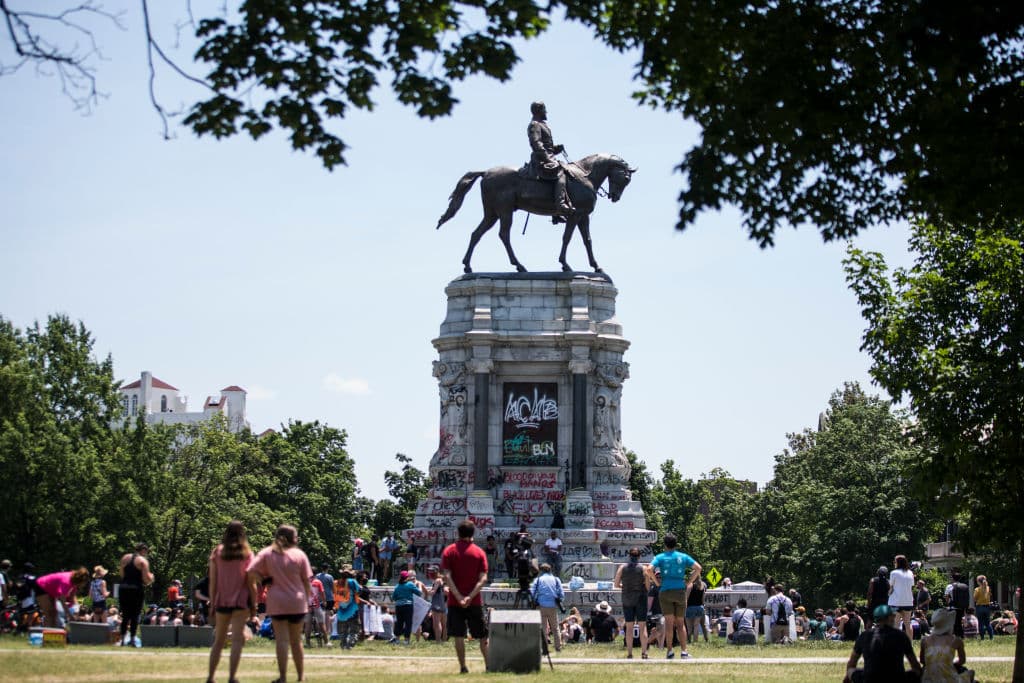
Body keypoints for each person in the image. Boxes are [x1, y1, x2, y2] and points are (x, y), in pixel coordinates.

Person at [249, 524, 312, 683]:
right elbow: (306, 581)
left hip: (277, 602)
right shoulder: (299, 555)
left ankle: (283, 677)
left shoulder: (267, 553)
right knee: (296, 640)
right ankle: (300, 676)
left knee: (282, 640)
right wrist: (307, 599)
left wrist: (264, 580)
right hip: (297, 602)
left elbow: (251, 571)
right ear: (293, 539)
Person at [206, 520, 259, 683]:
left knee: (218, 641)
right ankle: (231, 677)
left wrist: (212, 603)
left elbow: (213, 581)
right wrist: (254, 605)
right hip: (240, 603)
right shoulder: (247, 553)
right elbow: (251, 583)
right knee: (237, 640)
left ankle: (211, 677)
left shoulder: (217, 552)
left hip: (222, 601)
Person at [441, 519, 489, 675]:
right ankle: (488, 665)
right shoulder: (479, 552)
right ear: (473, 533)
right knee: (483, 635)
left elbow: (447, 576)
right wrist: (469, 596)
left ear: (458, 533)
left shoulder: (449, 551)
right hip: (474, 601)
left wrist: (459, 596)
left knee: (459, 636)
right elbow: (483, 579)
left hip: (455, 602)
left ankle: (463, 667)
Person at [650, 532, 701, 659]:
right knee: (680, 624)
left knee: (668, 623)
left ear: (665, 544)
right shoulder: (683, 557)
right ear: (675, 544)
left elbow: (648, 569)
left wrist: (657, 582)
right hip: (679, 591)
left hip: (665, 591)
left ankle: (670, 651)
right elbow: (698, 568)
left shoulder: (660, 557)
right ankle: (684, 651)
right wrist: (689, 582)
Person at [844, 604, 922, 683]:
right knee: (917, 671)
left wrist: (847, 678)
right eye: (893, 615)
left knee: (851, 670)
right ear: (889, 617)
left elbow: (852, 662)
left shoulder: (864, 636)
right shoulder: (900, 636)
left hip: (869, 679)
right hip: (897, 679)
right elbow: (914, 663)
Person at [527, 101, 573, 221]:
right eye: (544, 109)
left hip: (547, 157)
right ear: (539, 110)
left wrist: (556, 149)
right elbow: (536, 143)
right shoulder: (535, 124)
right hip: (541, 160)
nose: (546, 112)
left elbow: (548, 147)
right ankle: (560, 206)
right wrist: (547, 158)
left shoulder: (542, 124)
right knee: (561, 173)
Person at [614, 547, 649, 659]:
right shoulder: (644, 568)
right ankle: (644, 653)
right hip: (641, 599)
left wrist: (624, 587)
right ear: (639, 556)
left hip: (627, 599)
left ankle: (629, 653)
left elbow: (616, 584)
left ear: (629, 556)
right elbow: (648, 586)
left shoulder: (622, 568)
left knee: (629, 627)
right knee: (642, 627)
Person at [920, 607, 971, 683]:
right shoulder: (956, 641)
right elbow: (962, 661)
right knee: (971, 672)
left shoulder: (925, 640)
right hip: (950, 679)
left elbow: (922, 661)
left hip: (928, 679)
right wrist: (947, 664)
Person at [119, 542, 154, 646]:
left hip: (123, 587)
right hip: (136, 588)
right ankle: (133, 639)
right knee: (135, 614)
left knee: (125, 615)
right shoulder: (143, 561)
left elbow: (122, 574)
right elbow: (146, 579)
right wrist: (151, 578)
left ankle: (122, 640)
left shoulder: (125, 558)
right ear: (143, 550)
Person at [530, 562, 565, 653]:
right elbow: (561, 594)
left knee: (543, 628)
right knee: (555, 628)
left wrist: (535, 601)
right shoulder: (556, 579)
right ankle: (558, 647)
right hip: (552, 606)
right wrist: (559, 600)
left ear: (541, 571)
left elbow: (532, 592)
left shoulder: (538, 580)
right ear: (550, 570)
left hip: (541, 606)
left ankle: (544, 648)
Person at [333, 567, 363, 649]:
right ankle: (350, 644)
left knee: (343, 631)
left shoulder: (336, 582)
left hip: (341, 611)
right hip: (353, 610)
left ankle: (343, 645)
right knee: (354, 630)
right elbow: (359, 591)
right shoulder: (352, 581)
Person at [391, 570, 421, 646]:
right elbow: (419, 593)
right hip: (408, 606)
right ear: (407, 577)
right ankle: (406, 641)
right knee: (408, 623)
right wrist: (419, 585)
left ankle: (397, 640)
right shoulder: (410, 584)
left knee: (399, 623)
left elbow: (393, 598)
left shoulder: (397, 586)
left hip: (398, 606)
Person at [888, 554, 916, 639]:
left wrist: (888, 594)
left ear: (898, 563)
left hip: (895, 602)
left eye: (895, 561)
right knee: (908, 624)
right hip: (908, 602)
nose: (894, 563)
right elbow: (911, 587)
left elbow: (891, 588)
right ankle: (909, 644)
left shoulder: (893, 573)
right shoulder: (910, 573)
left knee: (895, 625)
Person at [685, 575, 709, 644]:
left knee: (689, 627)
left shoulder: (690, 585)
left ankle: (689, 641)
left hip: (690, 607)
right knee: (696, 626)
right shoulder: (703, 585)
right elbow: (703, 599)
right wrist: (703, 606)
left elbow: (686, 598)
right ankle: (695, 641)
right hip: (699, 607)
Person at [428, 566, 448, 643]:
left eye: (431, 571)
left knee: (437, 624)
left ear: (436, 572)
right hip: (443, 603)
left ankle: (438, 641)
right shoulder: (442, 580)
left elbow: (433, 592)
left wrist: (428, 592)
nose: (430, 573)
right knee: (444, 624)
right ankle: (444, 640)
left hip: (437, 603)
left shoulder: (437, 580)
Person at [947, 572, 970, 638]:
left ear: (953, 578)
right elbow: (967, 597)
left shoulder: (951, 586)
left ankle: (957, 635)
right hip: (962, 606)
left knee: (954, 622)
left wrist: (949, 604)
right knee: (959, 621)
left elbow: (949, 596)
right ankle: (961, 635)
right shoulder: (965, 586)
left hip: (954, 606)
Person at [973, 575, 993, 640]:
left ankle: (982, 638)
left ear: (979, 582)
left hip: (980, 607)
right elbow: (990, 596)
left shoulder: (977, 589)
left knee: (980, 623)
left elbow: (975, 599)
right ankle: (991, 637)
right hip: (987, 607)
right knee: (988, 623)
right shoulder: (988, 588)